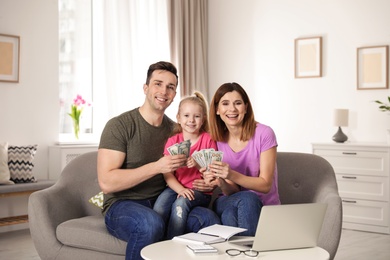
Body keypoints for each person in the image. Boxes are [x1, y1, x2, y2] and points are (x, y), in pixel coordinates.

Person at [97, 61, 218, 260]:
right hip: (123, 204)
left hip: (164, 201)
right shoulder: (120, 125)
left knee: (210, 220)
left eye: (170, 87)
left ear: (174, 95)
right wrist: (156, 166)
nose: (164, 91)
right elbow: (107, 183)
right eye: (158, 84)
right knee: (150, 223)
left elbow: (200, 161)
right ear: (145, 88)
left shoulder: (176, 132)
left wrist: (206, 182)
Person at [203, 82, 280, 236]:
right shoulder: (216, 139)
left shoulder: (264, 134)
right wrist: (221, 181)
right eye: (225, 104)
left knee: (230, 215)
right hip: (230, 200)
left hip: (264, 206)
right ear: (217, 110)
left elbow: (265, 185)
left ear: (245, 107)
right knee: (244, 200)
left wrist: (231, 174)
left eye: (238, 103)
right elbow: (232, 191)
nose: (232, 109)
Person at [153, 91, 218, 239]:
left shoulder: (207, 140)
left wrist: (196, 163)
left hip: (200, 192)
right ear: (179, 118)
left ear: (203, 119)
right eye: (187, 115)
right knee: (159, 208)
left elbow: (211, 173)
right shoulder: (173, 141)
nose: (191, 120)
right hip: (175, 187)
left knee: (181, 204)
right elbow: (167, 173)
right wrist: (180, 189)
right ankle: (157, 245)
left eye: (197, 116)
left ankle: (173, 246)